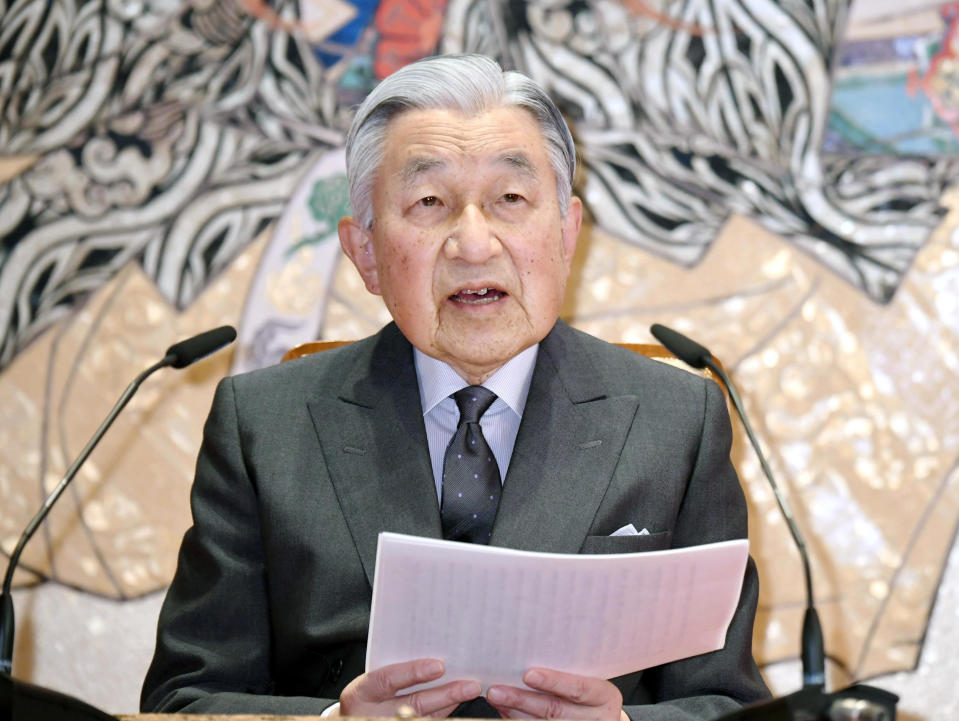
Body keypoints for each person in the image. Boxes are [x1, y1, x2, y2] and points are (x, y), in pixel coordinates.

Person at [141, 54, 770, 720]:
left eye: (510, 199)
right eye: (429, 203)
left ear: (565, 234)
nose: (473, 243)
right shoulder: (263, 425)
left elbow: (725, 703)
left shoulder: (676, 421)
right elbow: (184, 699)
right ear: (365, 255)